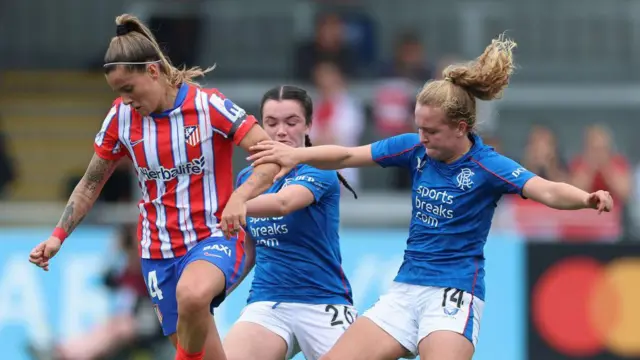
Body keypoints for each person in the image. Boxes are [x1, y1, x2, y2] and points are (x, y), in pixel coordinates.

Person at [247, 34, 614, 360]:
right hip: (405, 290)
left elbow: (547, 189)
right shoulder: (414, 149)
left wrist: (586, 198)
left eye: (432, 131)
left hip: (453, 294)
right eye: (418, 127)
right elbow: (345, 155)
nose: (422, 137)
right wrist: (296, 155)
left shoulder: (488, 166)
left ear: (461, 127)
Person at [28, 14, 281, 360]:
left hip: (213, 237)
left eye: (129, 89)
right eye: (118, 92)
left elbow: (270, 157)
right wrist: (57, 236)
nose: (126, 99)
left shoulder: (208, 106)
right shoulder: (120, 118)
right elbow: (90, 184)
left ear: (152, 71)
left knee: (192, 295)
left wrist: (240, 197)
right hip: (157, 253)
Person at [222, 85, 358, 360]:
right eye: (271, 123)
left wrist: (230, 205)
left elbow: (283, 203)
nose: (280, 131)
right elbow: (248, 252)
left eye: (291, 122)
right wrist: (215, 293)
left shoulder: (321, 169)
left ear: (309, 125)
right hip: (268, 302)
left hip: (323, 302)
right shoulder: (247, 180)